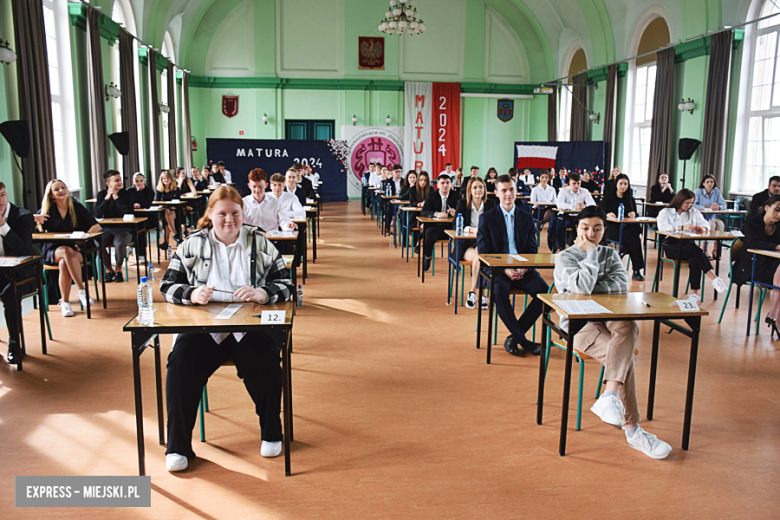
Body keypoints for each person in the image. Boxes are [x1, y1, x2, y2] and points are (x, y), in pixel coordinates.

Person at [159, 185, 294, 472]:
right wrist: (191, 294)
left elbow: (287, 283)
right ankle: (178, 446)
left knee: (265, 365)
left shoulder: (259, 242)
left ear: (243, 213)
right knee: (180, 366)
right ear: (210, 214)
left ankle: (271, 431)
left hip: (249, 326)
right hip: (205, 327)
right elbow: (167, 286)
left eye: (235, 213)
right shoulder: (192, 243)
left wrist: (264, 293)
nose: (229, 220)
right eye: (222, 214)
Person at [553, 205, 673, 460]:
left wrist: (594, 278)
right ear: (577, 230)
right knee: (624, 356)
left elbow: (621, 288)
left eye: (597, 229)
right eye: (585, 228)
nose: (591, 234)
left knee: (628, 326)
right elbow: (582, 291)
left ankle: (608, 396)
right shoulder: (565, 257)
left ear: (604, 229)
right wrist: (592, 256)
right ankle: (633, 431)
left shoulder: (612, 254)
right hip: (579, 323)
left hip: (609, 316)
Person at [477, 174, 547, 356]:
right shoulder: (487, 218)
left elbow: (532, 250)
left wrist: (524, 268)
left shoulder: (526, 217)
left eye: (511, 190)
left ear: (516, 191)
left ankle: (514, 338)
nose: (508, 194)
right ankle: (523, 341)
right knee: (498, 291)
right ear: (496, 193)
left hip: (523, 268)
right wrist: (505, 269)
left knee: (545, 293)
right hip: (497, 269)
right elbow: (484, 253)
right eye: (504, 190)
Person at [34, 179, 101, 317]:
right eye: (56, 189)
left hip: (76, 248)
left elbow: (96, 226)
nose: (61, 191)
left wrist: (83, 238)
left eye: (63, 187)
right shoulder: (48, 209)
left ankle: (65, 303)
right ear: (51, 195)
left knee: (66, 260)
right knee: (65, 251)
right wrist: (35, 221)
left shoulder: (76, 207)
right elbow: (33, 228)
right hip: (53, 250)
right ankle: (82, 290)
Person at [656, 189, 728, 300]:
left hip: (688, 243)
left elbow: (705, 223)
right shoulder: (666, 212)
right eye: (687, 203)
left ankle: (694, 294)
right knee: (696, 252)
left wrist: (702, 228)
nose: (689, 206)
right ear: (680, 200)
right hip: (671, 245)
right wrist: (683, 227)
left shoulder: (693, 212)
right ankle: (714, 279)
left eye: (691, 203)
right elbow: (663, 228)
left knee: (695, 259)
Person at [733, 194, 780, 339]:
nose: (779, 214)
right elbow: (753, 243)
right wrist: (776, 246)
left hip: (771, 267)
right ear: (766, 208)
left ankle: (774, 313)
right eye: (777, 210)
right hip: (751, 267)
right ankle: (776, 317)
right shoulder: (751, 222)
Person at [0, 182, 35, 364]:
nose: (0, 201)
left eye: (2, 195)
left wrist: (3, 226)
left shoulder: (23, 217)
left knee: (9, 294)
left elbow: (25, 251)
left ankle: (14, 343)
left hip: (23, 273)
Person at [455, 177, 497, 310]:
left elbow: (497, 224)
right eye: (475, 187)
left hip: (485, 243)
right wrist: (472, 229)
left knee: (482, 255)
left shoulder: (491, 204)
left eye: (480, 187)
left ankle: (473, 293)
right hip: (467, 243)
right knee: (481, 257)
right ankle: (480, 293)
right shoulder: (462, 204)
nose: (478, 190)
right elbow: (455, 224)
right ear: (470, 191)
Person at [600, 174, 645, 281]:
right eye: (621, 183)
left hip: (628, 228)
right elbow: (601, 211)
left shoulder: (629, 198)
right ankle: (636, 270)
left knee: (634, 237)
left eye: (625, 184)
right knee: (635, 240)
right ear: (616, 184)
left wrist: (634, 214)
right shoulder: (609, 196)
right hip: (612, 228)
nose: (623, 186)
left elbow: (635, 214)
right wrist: (607, 214)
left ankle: (626, 255)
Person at [95, 169, 134, 283]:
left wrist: (116, 197)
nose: (120, 182)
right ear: (108, 184)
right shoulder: (101, 194)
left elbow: (128, 212)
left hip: (124, 229)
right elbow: (97, 213)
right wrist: (107, 198)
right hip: (107, 229)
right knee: (98, 243)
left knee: (119, 243)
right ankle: (108, 269)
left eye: (120, 179)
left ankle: (118, 270)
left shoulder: (127, 194)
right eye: (116, 180)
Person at [421, 174, 460, 272]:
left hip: (451, 226)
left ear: (451, 185)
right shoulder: (431, 195)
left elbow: (462, 211)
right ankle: (428, 257)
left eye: (448, 183)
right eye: (442, 183)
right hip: (436, 227)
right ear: (437, 185)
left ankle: (455, 259)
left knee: (460, 239)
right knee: (428, 236)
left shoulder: (456, 195)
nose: (445, 185)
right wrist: (436, 213)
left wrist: (456, 213)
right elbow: (424, 211)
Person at [550, 172, 596, 251]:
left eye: (578, 183)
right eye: (574, 183)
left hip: (579, 217)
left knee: (586, 226)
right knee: (560, 225)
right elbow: (559, 204)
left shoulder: (584, 191)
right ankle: (561, 247)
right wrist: (573, 207)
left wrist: (584, 207)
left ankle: (582, 247)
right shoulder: (563, 191)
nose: (576, 186)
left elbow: (592, 204)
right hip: (565, 216)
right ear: (569, 183)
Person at [694, 174, 727, 258]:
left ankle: (716, 249)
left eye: (712, 182)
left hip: (712, 217)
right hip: (701, 217)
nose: (710, 184)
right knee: (710, 224)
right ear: (703, 183)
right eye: (707, 182)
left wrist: (718, 207)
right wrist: (707, 207)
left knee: (720, 224)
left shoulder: (716, 191)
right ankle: (704, 249)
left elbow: (724, 204)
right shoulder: (698, 191)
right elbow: (693, 205)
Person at [155, 169, 182, 245]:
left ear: (171, 179)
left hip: (173, 210)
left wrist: (172, 206)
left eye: (168, 178)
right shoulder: (158, 189)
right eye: (164, 178)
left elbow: (178, 200)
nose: (166, 180)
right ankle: (175, 235)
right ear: (161, 180)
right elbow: (156, 201)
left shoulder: (175, 188)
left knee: (169, 216)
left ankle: (166, 242)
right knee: (167, 212)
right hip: (162, 210)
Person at [382, 164, 404, 234]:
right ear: (393, 172)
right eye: (396, 171)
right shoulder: (388, 181)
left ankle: (405, 229)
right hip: (392, 200)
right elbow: (386, 192)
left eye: (399, 171)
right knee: (389, 206)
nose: (398, 173)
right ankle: (387, 228)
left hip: (402, 200)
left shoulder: (404, 181)